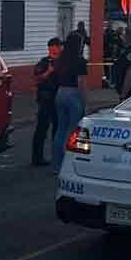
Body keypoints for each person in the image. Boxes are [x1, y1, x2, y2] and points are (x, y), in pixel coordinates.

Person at [52, 32, 88, 173]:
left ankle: (57, 164)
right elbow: (81, 83)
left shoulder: (61, 59)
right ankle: (70, 163)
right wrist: (85, 100)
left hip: (60, 92)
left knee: (61, 128)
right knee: (74, 130)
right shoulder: (80, 61)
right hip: (73, 94)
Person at [31, 38, 63, 166]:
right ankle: (37, 158)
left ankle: (56, 156)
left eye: (60, 46)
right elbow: (36, 79)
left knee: (58, 128)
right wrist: (48, 72)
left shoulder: (62, 62)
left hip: (58, 99)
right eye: (58, 46)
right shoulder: (44, 62)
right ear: (52, 47)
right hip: (46, 99)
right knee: (42, 128)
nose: (60, 49)